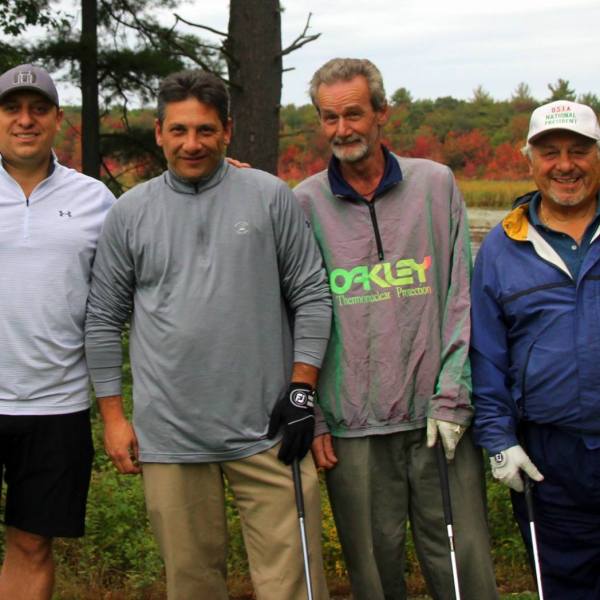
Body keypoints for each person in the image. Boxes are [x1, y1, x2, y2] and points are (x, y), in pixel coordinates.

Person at [84, 69, 332, 600]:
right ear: (159, 132)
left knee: (293, 586)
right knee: (192, 586)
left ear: (227, 131)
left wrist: (302, 389)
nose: (191, 144)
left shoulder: (269, 197)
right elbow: (103, 317)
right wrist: (113, 418)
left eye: (205, 130)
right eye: (178, 130)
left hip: (270, 432)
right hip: (170, 438)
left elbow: (312, 295)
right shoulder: (129, 214)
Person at [294, 57, 497, 600]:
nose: (343, 129)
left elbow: (461, 297)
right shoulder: (303, 203)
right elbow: (296, 315)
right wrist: (314, 415)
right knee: (373, 577)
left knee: (464, 566)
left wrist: (453, 395)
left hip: (439, 419)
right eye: (330, 118)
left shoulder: (435, 185)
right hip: (352, 427)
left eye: (354, 114)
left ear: (382, 112)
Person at [471, 100, 600, 599]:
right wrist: (499, 439)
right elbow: (487, 355)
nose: (565, 165)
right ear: (529, 160)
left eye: (578, 151)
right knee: (566, 587)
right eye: (550, 152)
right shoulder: (503, 246)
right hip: (551, 459)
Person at [0, 64, 115, 600]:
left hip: (56, 406)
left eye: (38, 109)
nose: (25, 120)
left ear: (56, 118)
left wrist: (227, 178)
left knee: (32, 545)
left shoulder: (96, 200)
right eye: (12, 108)